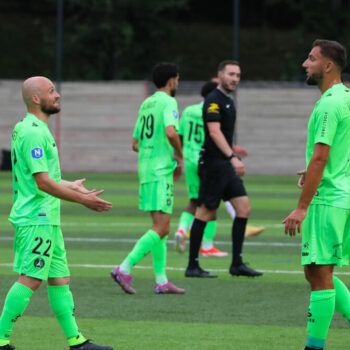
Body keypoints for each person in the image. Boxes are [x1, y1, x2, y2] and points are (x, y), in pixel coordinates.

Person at [0, 77, 113, 350]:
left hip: (47, 218)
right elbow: (42, 182)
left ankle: (77, 341)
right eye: (51, 91)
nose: (58, 95)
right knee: (31, 278)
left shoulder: (29, 128)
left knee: (60, 278)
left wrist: (70, 184)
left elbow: (40, 175)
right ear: (36, 99)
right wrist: (82, 200)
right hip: (36, 217)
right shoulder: (34, 133)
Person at [283, 39, 350, 350]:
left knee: (319, 274)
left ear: (328, 66)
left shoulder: (328, 104)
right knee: (316, 271)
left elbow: (321, 156)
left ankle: (313, 347)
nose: (304, 64)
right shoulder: (346, 98)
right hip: (341, 194)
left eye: (310, 59)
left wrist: (301, 207)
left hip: (326, 200)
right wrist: (310, 174)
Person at [111, 62, 185, 295]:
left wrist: (151, 151)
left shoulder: (147, 103)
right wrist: (179, 156)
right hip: (161, 171)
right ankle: (124, 267)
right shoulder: (169, 101)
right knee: (162, 228)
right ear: (172, 80)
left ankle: (161, 280)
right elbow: (171, 132)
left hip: (146, 170)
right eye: (177, 79)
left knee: (159, 227)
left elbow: (135, 144)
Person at [185, 60, 263, 278]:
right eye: (230, 74)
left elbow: (223, 136)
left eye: (237, 75)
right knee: (205, 212)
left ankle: (236, 264)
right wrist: (233, 157)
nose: (234, 78)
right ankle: (193, 266)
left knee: (243, 208)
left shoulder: (228, 101)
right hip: (213, 165)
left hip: (224, 164)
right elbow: (214, 132)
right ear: (220, 75)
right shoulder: (213, 100)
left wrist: (232, 153)